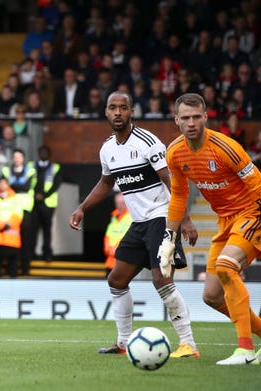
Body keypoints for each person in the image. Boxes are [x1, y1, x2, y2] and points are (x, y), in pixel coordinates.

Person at [68, 91, 199, 359]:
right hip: (138, 222)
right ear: (106, 112)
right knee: (116, 280)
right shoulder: (107, 148)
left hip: (161, 217)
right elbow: (106, 183)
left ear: (131, 112)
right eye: (113, 108)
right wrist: (82, 208)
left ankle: (189, 345)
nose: (118, 112)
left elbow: (171, 180)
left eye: (123, 108)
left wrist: (184, 219)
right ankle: (124, 342)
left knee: (161, 279)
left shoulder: (148, 142)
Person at [160, 93, 261, 365]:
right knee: (212, 295)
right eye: (185, 118)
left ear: (205, 117)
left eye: (196, 116)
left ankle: (244, 348)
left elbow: (257, 185)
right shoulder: (175, 153)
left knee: (227, 266)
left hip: (253, 212)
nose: (191, 122)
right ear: (176, 120)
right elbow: (179, 195)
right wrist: (169, 239)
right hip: (225, 221)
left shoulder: (226, 147)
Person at [103, 193, 132, 275]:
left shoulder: (131, 217)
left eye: (122, 203)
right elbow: (108, 235)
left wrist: (117, 248)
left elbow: (129, 236)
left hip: (123, 261)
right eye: (117, 203)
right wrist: (108, 247)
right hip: (110, 261)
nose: (119, 205)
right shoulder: (114, 217)